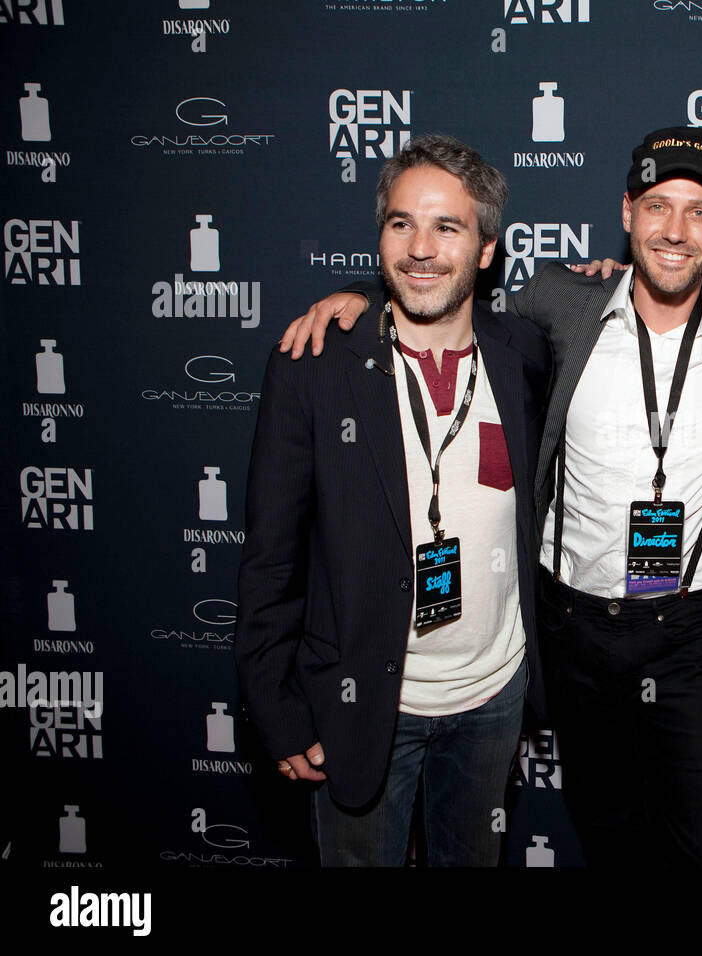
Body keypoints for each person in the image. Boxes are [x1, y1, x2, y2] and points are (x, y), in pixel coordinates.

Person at [279, 126, 702, 866]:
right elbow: (443, 293)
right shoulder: (560, 303)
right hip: (572, 630)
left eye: (699, 211)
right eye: (658, 206)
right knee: (608, 834)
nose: (675, 230)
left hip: (690, 632)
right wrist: (362, 294)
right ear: (626, 213)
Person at [234, 134, 550, 866]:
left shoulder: (522, 354)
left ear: (488, 249)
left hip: (493, 700)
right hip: (364, 706)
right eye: (401, 223)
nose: (421, 248)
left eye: (448, 227)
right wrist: (278, 714)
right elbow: (269, 557)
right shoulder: (315, 364)